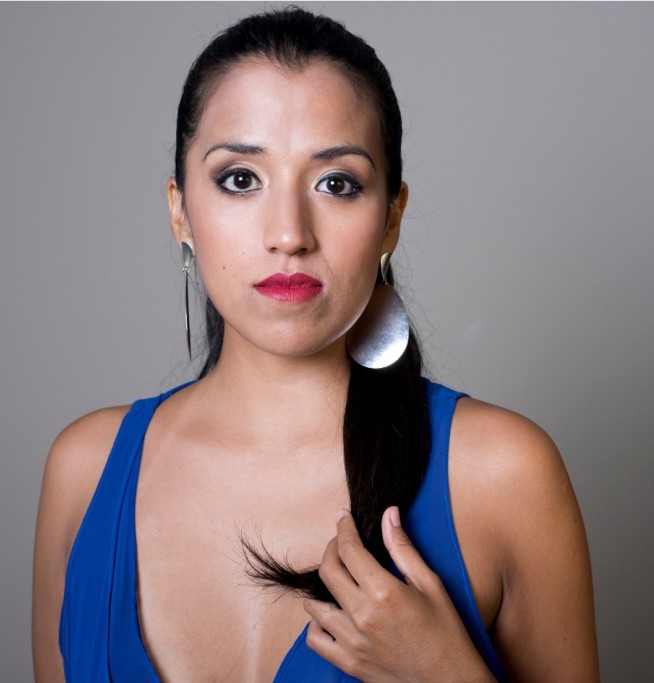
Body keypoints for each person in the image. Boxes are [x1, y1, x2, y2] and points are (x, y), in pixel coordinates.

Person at [32, 7, 598, 682]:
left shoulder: (504, 475)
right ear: (180, 210)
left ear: (390, 219)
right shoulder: (85, 471)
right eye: (241, 178)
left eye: (337, 183)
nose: (289, 234)